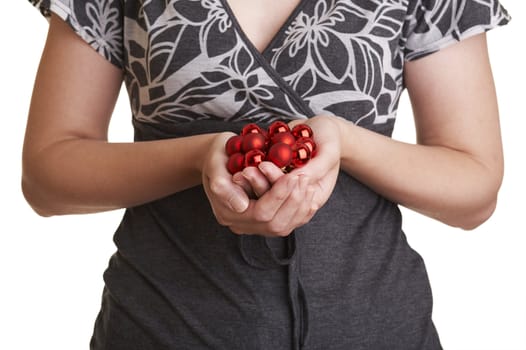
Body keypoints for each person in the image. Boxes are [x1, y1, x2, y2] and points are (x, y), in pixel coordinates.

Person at [24, 0, 509, 349]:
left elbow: (474, 190)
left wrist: (346, 142)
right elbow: (47, 175)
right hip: (160, 327)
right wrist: (200, 157)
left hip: (379, 329)